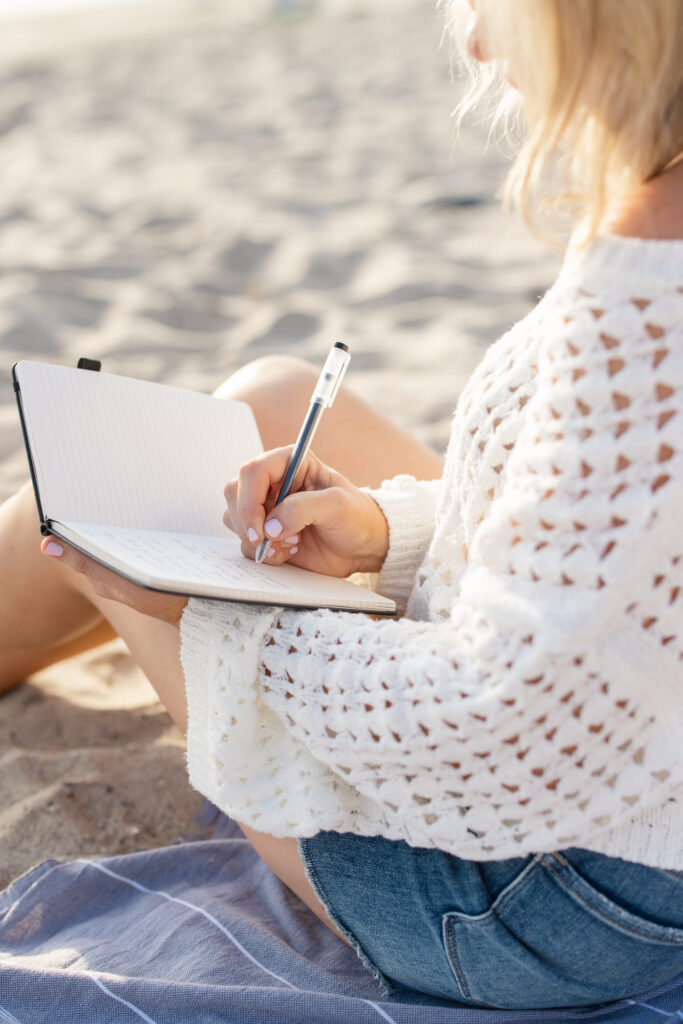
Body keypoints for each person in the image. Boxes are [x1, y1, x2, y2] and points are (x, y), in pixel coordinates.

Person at [2, 0, 683, 1009]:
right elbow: (627, 539)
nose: (476, 42)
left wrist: (223, 616)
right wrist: (381, 532)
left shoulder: (642, 295)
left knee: (132, 505)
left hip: (533, 905)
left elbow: (502, 726)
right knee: (272, 398)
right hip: (628, 822)